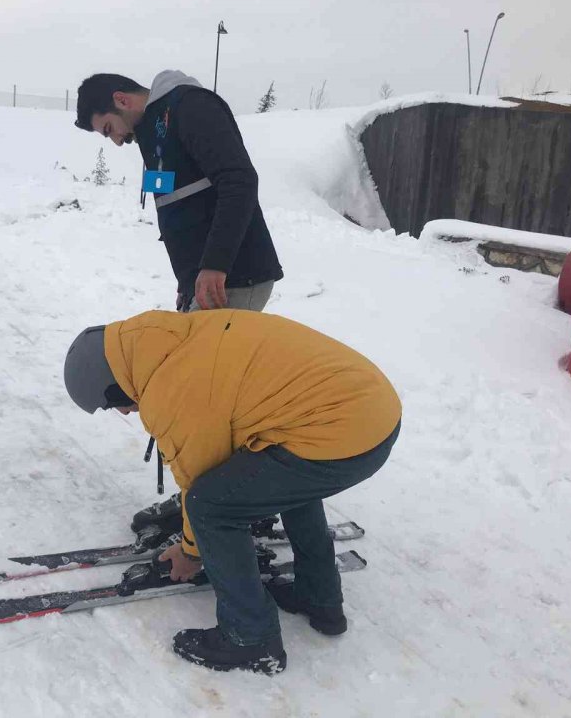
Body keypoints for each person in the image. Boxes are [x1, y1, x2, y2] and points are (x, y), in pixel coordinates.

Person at [63, 309, 402, 675]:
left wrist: (192, 553)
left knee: (212, 507)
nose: (126, 413)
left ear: (117, 385)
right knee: (287, 482)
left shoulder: (174, 388)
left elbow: (202, 482)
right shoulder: (169, 337)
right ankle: (319, 598)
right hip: (370, 411)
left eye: (115, 405)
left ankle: (250, 638)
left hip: (342, 431)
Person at [74, 71, 283, 314]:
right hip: (206, 280)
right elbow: (177, 205)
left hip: (235, 278)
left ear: (122, 100)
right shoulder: (151, 133)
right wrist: (187, 281)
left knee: (200, 353)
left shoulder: (191, 107)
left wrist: (215, 265)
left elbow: (239, 181)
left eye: (109, 129)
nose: (117, 142)